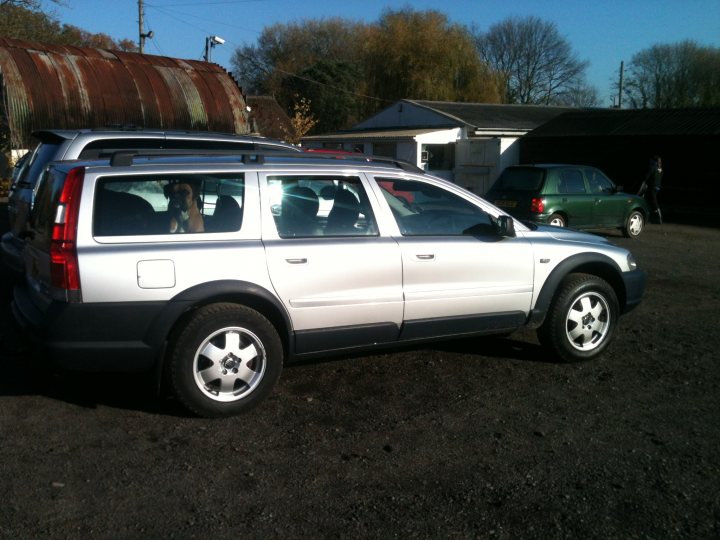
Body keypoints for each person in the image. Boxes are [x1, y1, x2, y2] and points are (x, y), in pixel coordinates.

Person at [640, 156, 663, 224]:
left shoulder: (653, 167)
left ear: (654, 161)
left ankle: (659, 217)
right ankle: (652, 216)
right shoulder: (660, 169)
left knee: (653, 201)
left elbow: (647, 177)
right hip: (657, 187)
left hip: (652, 187)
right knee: (650, 201)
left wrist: (644, 181)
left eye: (651, 161)